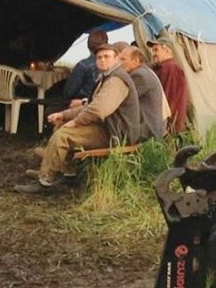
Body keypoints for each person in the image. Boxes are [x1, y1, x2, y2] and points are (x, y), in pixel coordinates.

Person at [15, 44, 140, 195]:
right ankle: (67, 173)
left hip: (117, 134)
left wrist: (75, 122)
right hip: (109, 128)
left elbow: (98, 110)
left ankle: (45, 180)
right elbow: (90, 106)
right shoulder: (107, 77)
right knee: (61, 125)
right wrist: (64, 115)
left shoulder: (117, 80)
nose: (102, 60)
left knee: (64, 134)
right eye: (99, 57)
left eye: (107, 56)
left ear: (116, 59)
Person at [118, 45, 166, 141]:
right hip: (150, 128)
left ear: (135, 61)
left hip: (146, 130)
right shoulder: (145, 71)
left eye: (123, 59)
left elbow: (120, 100)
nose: (119, 63)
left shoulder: (139, 75)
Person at [147, 37, 190, 136]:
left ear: (167, 50)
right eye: (152, 50)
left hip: (169, 126)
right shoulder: (162, 67)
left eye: (156, 50)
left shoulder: (171, 68)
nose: (153, 54)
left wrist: (167, 125)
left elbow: (168, 98)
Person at [58, 29, 109, 107]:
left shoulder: (83, 65)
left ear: (88, 45)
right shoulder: (112, 66)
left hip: (80, 106)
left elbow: (68, 93)